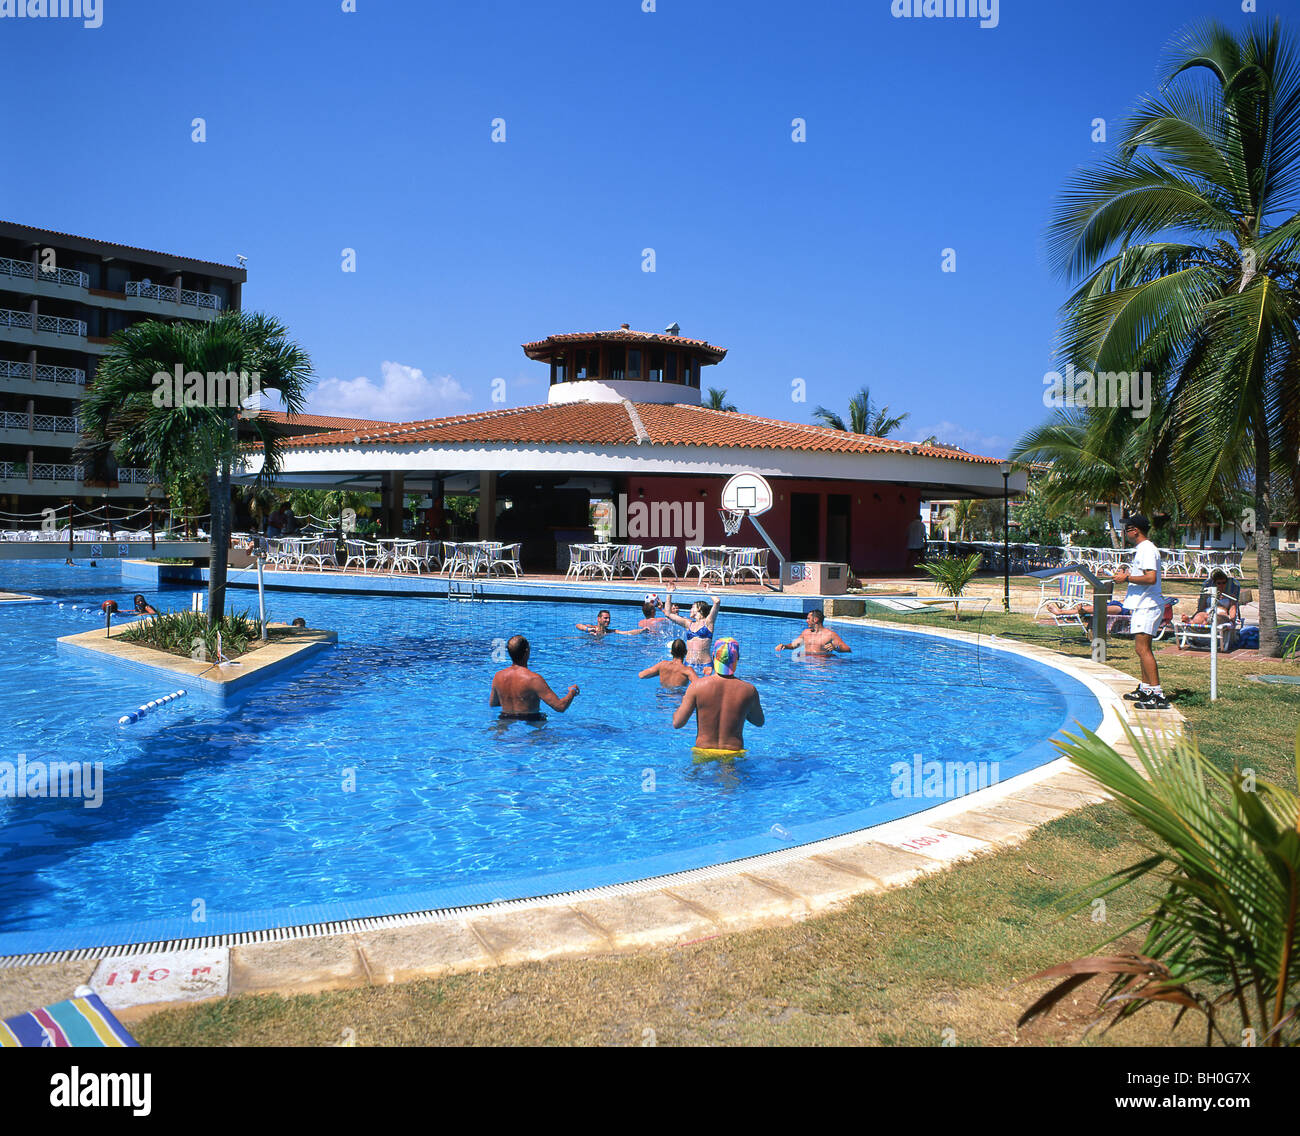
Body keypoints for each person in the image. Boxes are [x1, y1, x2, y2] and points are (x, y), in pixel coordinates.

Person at [672, 637, 764, 760]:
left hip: (703, 752)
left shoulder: (697, 686)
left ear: (714, 655)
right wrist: (743, 709)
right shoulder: (749, 691)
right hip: (734, 754)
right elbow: (759, 722)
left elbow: (677, 723)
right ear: (737, 658)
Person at [1115, 513, 1169, 709]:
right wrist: (1128, 576)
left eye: (1126, 529)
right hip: (1143, 605)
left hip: (1148, 605)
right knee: (1142, 649)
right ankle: (1146, 688)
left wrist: (1126, 579)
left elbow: (1150, 578)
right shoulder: (1144, 549)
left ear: (1134, 530)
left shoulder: (1147, 549)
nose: (1125, 532)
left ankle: (1158, 695)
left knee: (1143, 649)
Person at [489, 634, 579, 721]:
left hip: (505, 718)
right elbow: (560, 707)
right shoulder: (534, 679)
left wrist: (511, 698)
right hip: (532, 720)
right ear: (527, 651)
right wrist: (572, 691)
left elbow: (493, 704)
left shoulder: (498, 676)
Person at [663, 587, 722, 671]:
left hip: (706, 665)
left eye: (692, 607)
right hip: (688, 664)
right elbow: (668, 613)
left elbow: (717, 601)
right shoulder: (688, 624)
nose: (690, 610)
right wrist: (669, 593)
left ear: (699, 609)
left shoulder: (708, 622)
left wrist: (707, 591)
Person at [775, 609, 851, 655]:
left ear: (815, 620)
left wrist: (836, 648)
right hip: (806, 663)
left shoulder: (830, 634)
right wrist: (784, 646)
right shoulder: (805, 632)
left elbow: (848, 649)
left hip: (822, 665)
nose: (806, 621)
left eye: (808, 618)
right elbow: (794, 645)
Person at [576, 609, 643, 636]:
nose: (608, 620)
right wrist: (588, 629)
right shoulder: (592, 627)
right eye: (605, 618)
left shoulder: (610, 631)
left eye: (609, 618)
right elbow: (578, 625)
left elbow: (628, 632)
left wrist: (642, 630)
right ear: (598, 619)